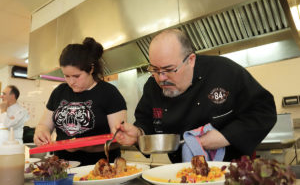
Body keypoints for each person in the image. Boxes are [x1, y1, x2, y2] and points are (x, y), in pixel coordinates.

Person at [116, 29, 277, 163]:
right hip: (183, 176)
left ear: (191, 60)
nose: (161, 78)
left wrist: (225, 137)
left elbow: (263, 110)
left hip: (231, 175)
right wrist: (138, 134)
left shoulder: (224, 72)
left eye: (169, 69)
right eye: (155, 70)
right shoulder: (152, 87)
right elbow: (146, 122)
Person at [33, 37, 127, 166]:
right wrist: (40, 133)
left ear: (91, 69)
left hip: (100, 167)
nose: (71, 82)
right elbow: (44, 125)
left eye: (76, 76)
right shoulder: (59, 92)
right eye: (66, 76)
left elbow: (119, 138)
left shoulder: (109, 93)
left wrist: (86, 147)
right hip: (62, 166)